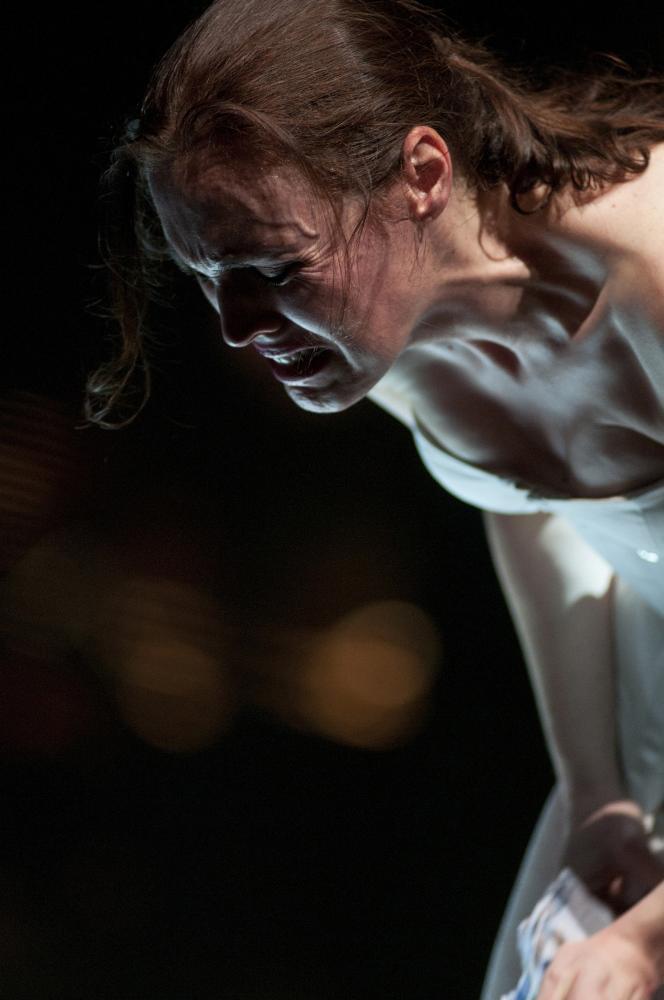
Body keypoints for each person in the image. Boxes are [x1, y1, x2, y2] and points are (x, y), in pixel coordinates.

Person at [92, 1, 664, 996]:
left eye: (274, 266)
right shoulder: (385, 330)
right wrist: (592, 787)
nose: (236, 326)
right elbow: (532, 506)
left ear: (423, 174)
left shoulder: (650, 274)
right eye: (205, 275)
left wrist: (649, 940)